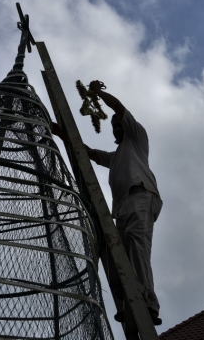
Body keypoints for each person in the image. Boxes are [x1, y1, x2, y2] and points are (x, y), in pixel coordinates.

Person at [51, 80, 163, 325]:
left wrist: (97, 93)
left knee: (137, 244)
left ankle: (147, 301)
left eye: (118, 123)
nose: (116, 127)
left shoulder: (136, 139)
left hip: (141, 195)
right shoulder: (116, 157)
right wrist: (61, 134)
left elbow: (119, 107)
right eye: (113, 126)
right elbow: (88, 153)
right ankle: (127, 304)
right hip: (122, 206)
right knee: (117, 257)